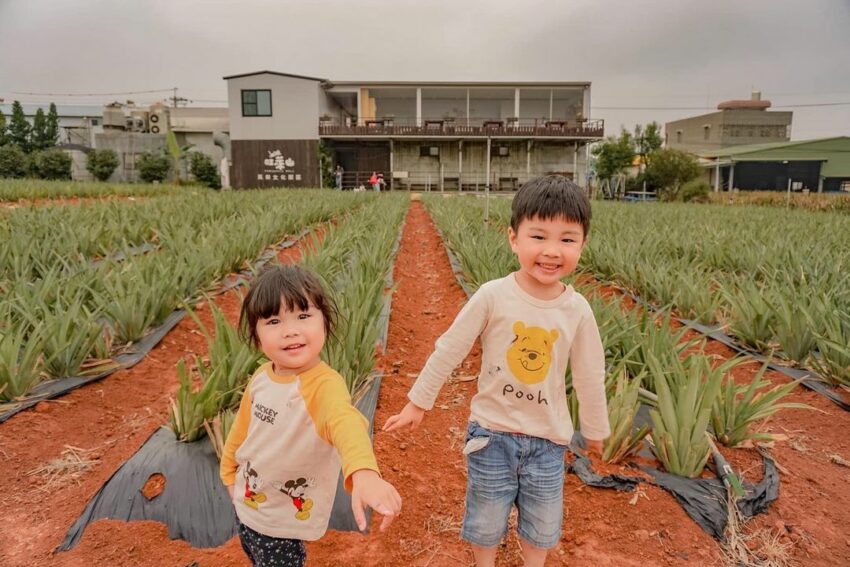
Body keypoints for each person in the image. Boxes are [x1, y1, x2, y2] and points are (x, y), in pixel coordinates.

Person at [384, 175, 610, 567]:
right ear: (513, 239)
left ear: (582, 245)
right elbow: (450, 348)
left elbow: (590, 372)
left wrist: (595, 428)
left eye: (567, 239)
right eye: (538, 236)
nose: (551, 251)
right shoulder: (493, 296)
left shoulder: (577, 310)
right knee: (486, 520)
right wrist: (418, 403)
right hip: (491, 434)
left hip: (548, 440)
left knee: (542, 525)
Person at [221, 265, 401, 567]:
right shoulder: (262, 377)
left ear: (325, 324)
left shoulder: (324, 386)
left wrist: (364, 472)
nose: (290, 330)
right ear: (256, 335)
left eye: (303, 316)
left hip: (282, 524)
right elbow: (242, 431)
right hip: (248, 505)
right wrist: (228, 472)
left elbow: (345, 423)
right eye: (274, 321)